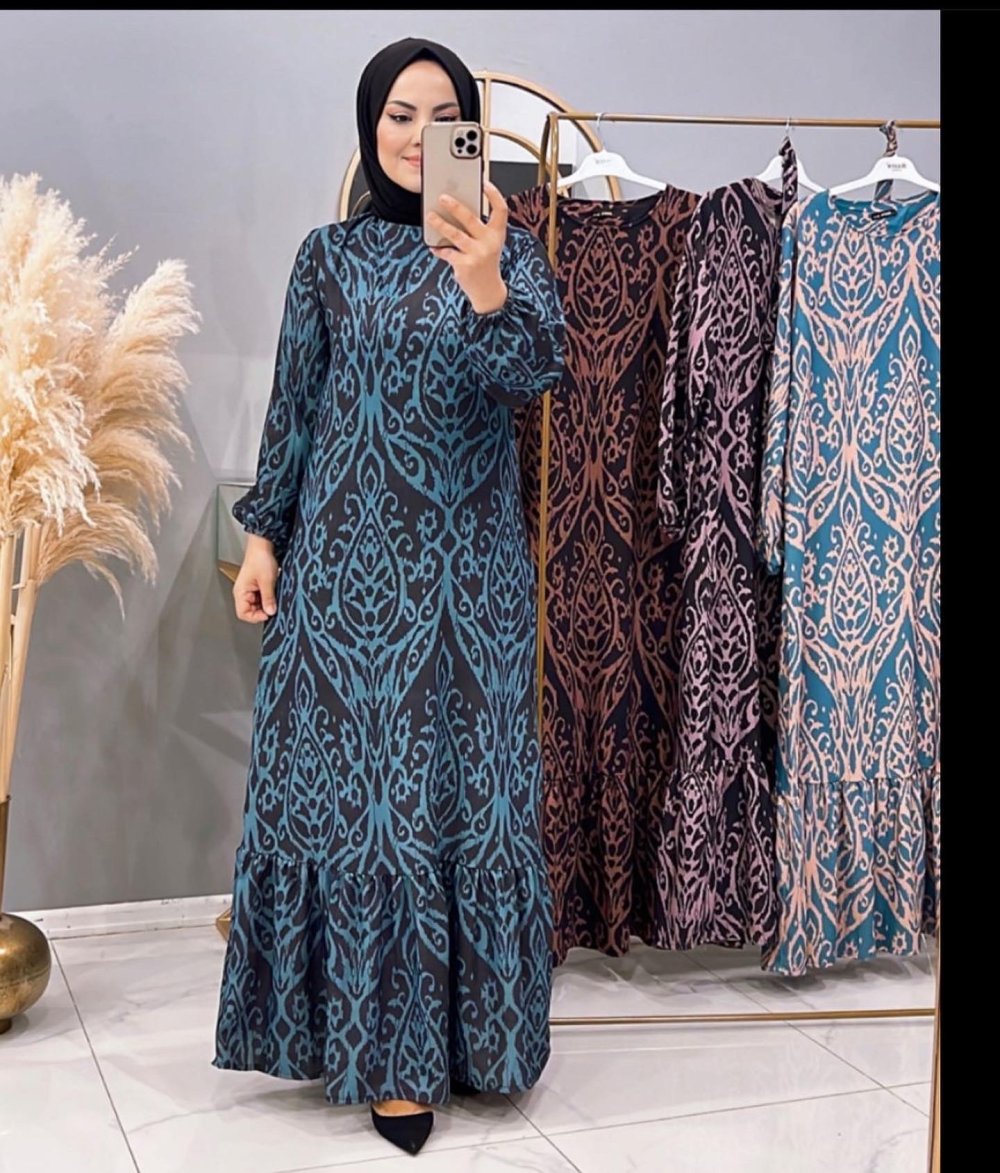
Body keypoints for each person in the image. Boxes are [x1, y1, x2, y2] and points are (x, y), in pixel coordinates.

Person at [212, 37, 566, 1157]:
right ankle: (391, 1063)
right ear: (371, 128)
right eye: (398, 115)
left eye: (444, 116)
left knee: (465, 800)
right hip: (345, 584)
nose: (419, 136)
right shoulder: (325, 258)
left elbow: (534, 376)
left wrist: (485, 280)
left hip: (469, 587)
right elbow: (297, 407)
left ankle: (476, 1041)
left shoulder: (510, 247)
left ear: (473, 135)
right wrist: (263, 539)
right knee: (362, 810)